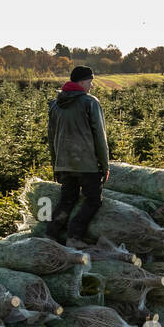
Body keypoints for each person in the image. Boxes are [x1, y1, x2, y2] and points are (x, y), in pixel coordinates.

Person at [46, 65, 110, 246]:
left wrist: (55, 165)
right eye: (90, 81)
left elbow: (51, 137)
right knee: (93, 200)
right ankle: (74, 236)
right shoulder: (90, 102)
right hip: (86, 163)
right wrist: (104, 166)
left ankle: (51, 234)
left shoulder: (55, 104)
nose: (91, 86)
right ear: (82, 82)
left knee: (67, 200)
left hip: (63, 163)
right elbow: (100, 136)